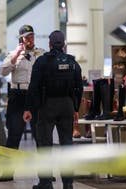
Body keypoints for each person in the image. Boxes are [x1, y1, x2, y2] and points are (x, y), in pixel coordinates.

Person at [23, 30, 83, 189]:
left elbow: (33, 87)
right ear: (64, 44)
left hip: (47, 105)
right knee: (67, 145)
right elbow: (79, 87)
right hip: (67, 106)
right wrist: (75, 108)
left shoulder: (42, 61)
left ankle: (45, 183)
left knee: (44, 144)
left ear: (49, 44)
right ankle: (68, 184)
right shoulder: (72, 62)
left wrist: (30, 108)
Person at [0, 25, 46, 182]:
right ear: (21, 38)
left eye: (31, 36)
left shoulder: (42, 53)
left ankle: (45, 175)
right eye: (26, 37)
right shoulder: (13, 54)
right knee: (14, 135)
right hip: (18, 96)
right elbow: (3, 71)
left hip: (36, 96)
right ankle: (8, 172)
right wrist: (17, 54)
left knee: (41, 136)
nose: (29, 39)